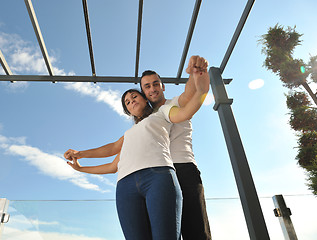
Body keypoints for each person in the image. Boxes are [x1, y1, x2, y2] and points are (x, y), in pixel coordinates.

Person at [65, 56, 211, 239]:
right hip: (146, 178)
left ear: (162, 86)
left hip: (180, 169)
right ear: (143, 93)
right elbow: (113, 158)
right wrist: (81, 158)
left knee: (195, 231)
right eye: (147, 86)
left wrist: (195, 74)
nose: (152, 89)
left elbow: (190, 95)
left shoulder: (169, 106)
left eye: (155, 84)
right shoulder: (136, 130)